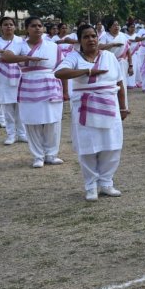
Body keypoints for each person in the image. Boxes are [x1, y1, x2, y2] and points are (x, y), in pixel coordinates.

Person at [55, 24, 128, 201]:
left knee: (112, 146)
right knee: (88, 147)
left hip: (110, 106)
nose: (91, 40)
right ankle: (90, 186)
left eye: (93, 36)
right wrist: (87, 71)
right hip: (85, 108)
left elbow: (119, 83)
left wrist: (123, 106)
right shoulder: (73, 57)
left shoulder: (109, 57)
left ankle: (106, 183)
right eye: (86, 37)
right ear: (80, 40)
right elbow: (59, 73)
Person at [1, 16, 65, 168]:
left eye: (40, 26)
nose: (37, 28)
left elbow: (62, 67)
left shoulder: (52, 46)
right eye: (33, 26)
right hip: (29, 85)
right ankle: (38, 156)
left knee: (53, 121)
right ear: (27, 28)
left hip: (51, 84)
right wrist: (28, 57)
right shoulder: (19, 45)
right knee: (32, 121)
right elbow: (6, 56)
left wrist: (66, 91)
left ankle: (51, 154)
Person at [98, 17, 132, 110]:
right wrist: (112, 44)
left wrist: (130, 65)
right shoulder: (105, 36)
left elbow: (128, 50)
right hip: (109, 62)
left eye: (117, 25)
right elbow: (99, 47)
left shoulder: (122, 36)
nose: (116, 27)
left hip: (121, 62)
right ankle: (112, 106)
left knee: (122, 83)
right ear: (109, 27)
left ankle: (123, 107)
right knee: (111, 83)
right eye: (114, 25)